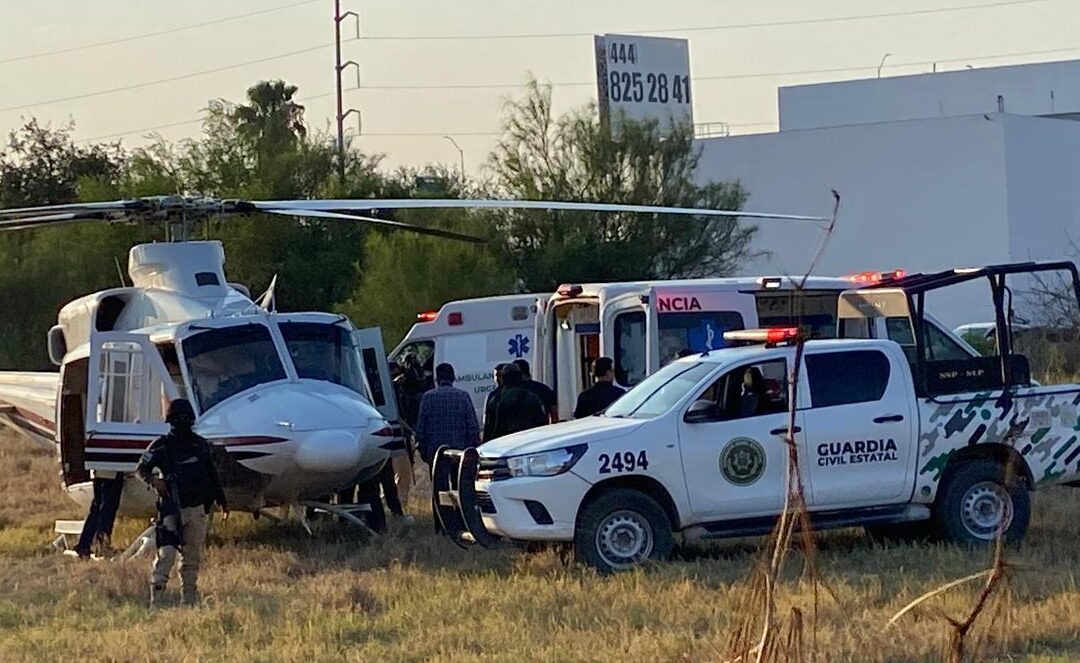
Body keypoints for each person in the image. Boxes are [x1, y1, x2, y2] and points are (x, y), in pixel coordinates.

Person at [136, 399, 228, 607]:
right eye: (179, 419)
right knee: (166, 555)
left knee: (192, 558)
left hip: (196, 508)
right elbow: (141, 469)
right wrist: (154, 481)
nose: (184, 422)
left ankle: (189, 602)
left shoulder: (200, 445)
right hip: (171, 509)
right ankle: (156, 603)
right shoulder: (161, 445)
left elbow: (211, 473)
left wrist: (222, 501)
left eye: (186, 419)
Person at [414, 363, 480, 466]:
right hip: (460, 452)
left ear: (437, 379)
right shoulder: (463, 396)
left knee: (439, 481)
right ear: (453, 377)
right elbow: (473, 427)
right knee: (458, 481)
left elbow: (421, 429)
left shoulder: (427, 397)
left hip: (435, 453)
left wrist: (423, 451)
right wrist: (471, 448)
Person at [483, 363, 547, 442]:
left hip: (502, 443)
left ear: (503, 379)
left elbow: (488, 428)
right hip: (527, 441)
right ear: (520, 377)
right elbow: (541, 424)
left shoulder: (495, 399)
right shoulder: (531, 397)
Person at [73, 470, 124, 559]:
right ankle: (102, 544)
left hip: (98, 470)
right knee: (108, 507)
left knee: (97, 508)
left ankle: (84, 544)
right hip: (112, 472)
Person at [513, 359, 558, 424]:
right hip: (542, 429)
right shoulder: (544, 388)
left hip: (521, 430)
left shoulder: (514, 392)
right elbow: (554, 413)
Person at [481, 364, 508, 442]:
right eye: (496, 376)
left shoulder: (518, 394)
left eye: (500, 375)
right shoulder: (492, 396)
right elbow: (487, 421)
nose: (498, 379)